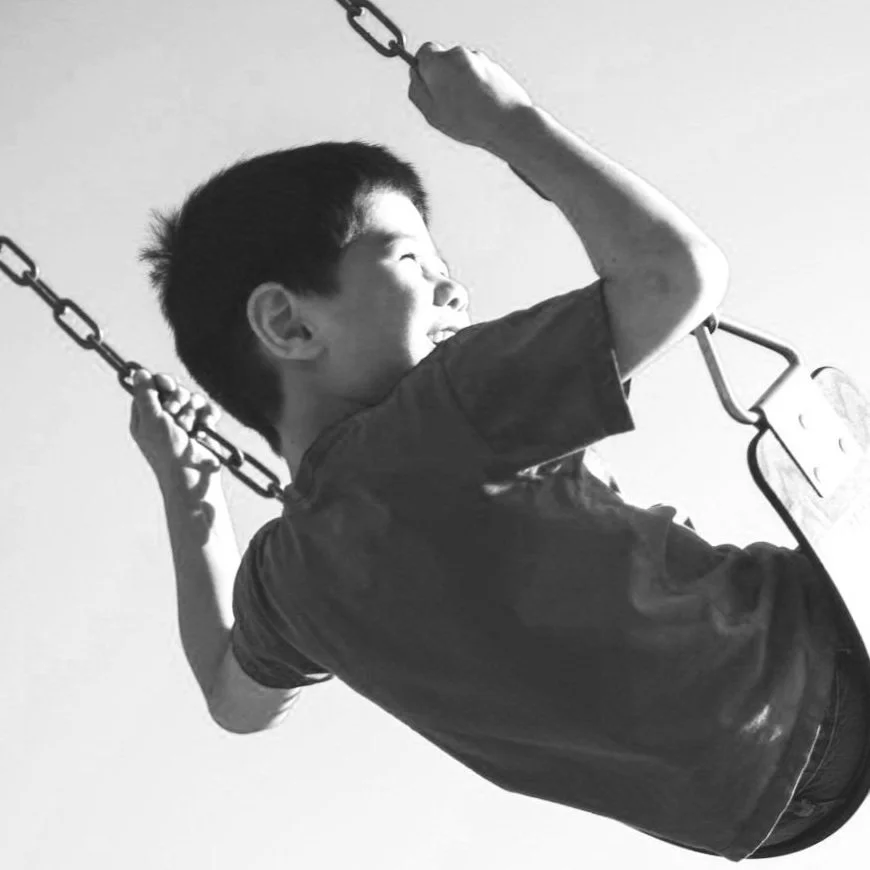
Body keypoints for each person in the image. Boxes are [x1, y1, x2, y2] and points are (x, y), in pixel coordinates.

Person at [129, 43, 869, 861]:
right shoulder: (444, 411)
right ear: (290, 326)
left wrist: (181, 491)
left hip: (763, 812)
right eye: (413, 259)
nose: (457, 289)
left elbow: (232, 698)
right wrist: (506, 122)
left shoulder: (293, 583)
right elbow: (675, 276)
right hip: (808, 663)